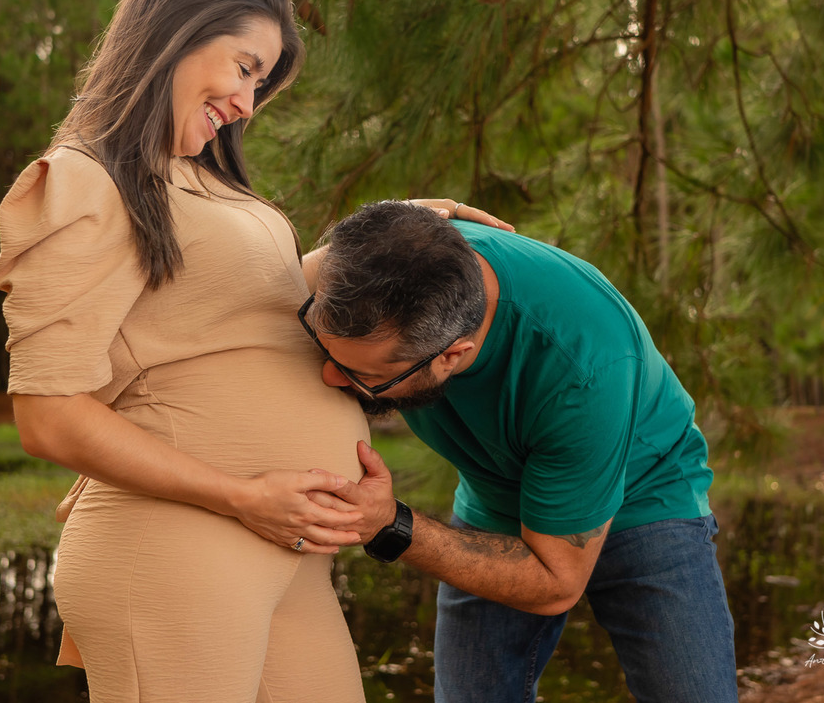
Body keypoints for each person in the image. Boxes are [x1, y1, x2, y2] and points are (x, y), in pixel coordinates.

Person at [0, 0, 505, 702]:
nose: (247, 102)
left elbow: (249, 310)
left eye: (260, 82)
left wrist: (404, 225)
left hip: (287, 553)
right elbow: (48, 415)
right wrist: (241, 495)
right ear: (175, 31)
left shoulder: (205, 181)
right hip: (176, 546)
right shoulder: (85, 181)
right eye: (244, 66)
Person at [300, 201, 739, 703]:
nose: (330, 377)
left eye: (366, 376)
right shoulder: (383, 263)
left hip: (645, 491)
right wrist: (395, 213)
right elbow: (255, 278)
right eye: (326, 349)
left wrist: (393, 526)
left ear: (452, 356)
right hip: (497, 491)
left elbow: (556, 581)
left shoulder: (582, 370)